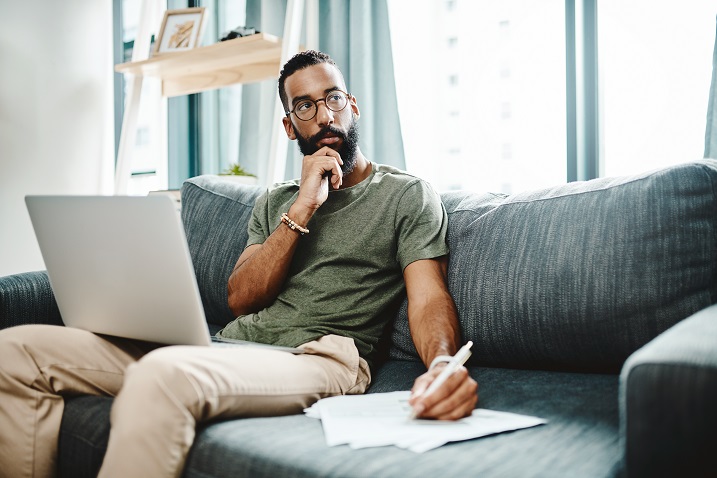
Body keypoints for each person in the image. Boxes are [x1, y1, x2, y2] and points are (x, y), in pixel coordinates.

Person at [0, 50, 477, 478]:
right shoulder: (278, 202)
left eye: (332, 98)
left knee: (164, 374)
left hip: (323, 358)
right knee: (14, 352)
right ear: (291, 127)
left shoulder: (406, 195)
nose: (325, 115)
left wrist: (441, 362)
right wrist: (301, 209)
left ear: (352, 106)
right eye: (306, 106)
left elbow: (429, 296)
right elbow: (242, 299)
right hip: (230, 349)